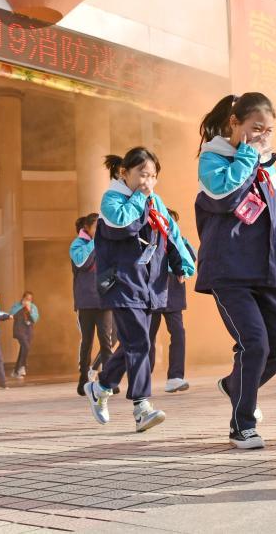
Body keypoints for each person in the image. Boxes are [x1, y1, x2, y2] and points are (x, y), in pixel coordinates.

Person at [194, 92, 276, 449]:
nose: (262, 136)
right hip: (230, 273)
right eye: (255, 128)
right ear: (235, 124)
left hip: (270, 274)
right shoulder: (213, 159)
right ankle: (242, 424)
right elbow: (226, 197)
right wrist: (248, 154)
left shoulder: (268, 170)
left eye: (268, 130)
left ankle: (236, 385)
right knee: (255, 345)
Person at [83, 147, 195, 433]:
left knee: (137, 341)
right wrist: (141, 197)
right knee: (140, 343)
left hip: (147, 284)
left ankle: (102, 386)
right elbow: (122, 224)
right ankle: (142, 407)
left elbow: (172, 235)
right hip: (122, 282)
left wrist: (181, 263)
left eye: (153, 176)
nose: (148, 181)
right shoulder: (111, 200)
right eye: (142, 174)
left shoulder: (154, 200)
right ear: (124, 173)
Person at [149, 209, 195, 393]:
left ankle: (175, 377)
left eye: (174, 223)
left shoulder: (182, 242)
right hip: (154, 291)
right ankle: (144, 376)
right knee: (147, 336)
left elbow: (191, 260)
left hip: (174, 292)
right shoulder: (152, 241)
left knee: (178, 332)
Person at [70, 213, 116, 396]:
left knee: (107, 342)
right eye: (97, 227)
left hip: (104, 301)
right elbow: (83, 263)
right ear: (87, 228)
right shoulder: (77, 245)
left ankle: (109, 380)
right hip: (85, 302)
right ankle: (83, 381)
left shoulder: (106, 244)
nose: (100, 230)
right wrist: (95, 242)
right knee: (87, 342)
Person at [10, 291, 39, 378]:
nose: (28, 301)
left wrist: (29, 310)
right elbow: (11, 314)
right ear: (22, 298)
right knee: (26, 347)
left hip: (28, 331)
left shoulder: (33, 307)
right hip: (19, 330)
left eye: (30, 299)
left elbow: (35, 319)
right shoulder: (17, 305)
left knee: (23, 349)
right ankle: (22, 367)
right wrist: (22, 307)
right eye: (26, 299)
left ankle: (15, 371)